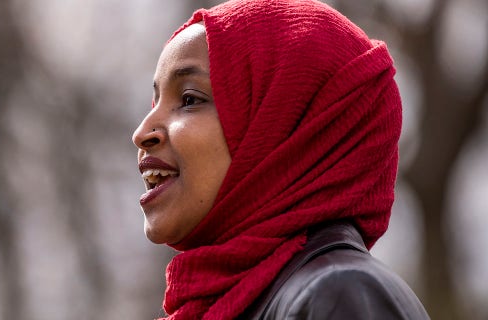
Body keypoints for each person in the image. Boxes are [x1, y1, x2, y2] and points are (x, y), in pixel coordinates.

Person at [131, 0, 430, 319]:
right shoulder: (238, 299)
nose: (141, 132)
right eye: (156, 100)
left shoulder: (338, 294)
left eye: (189, 99)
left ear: (287, 124)